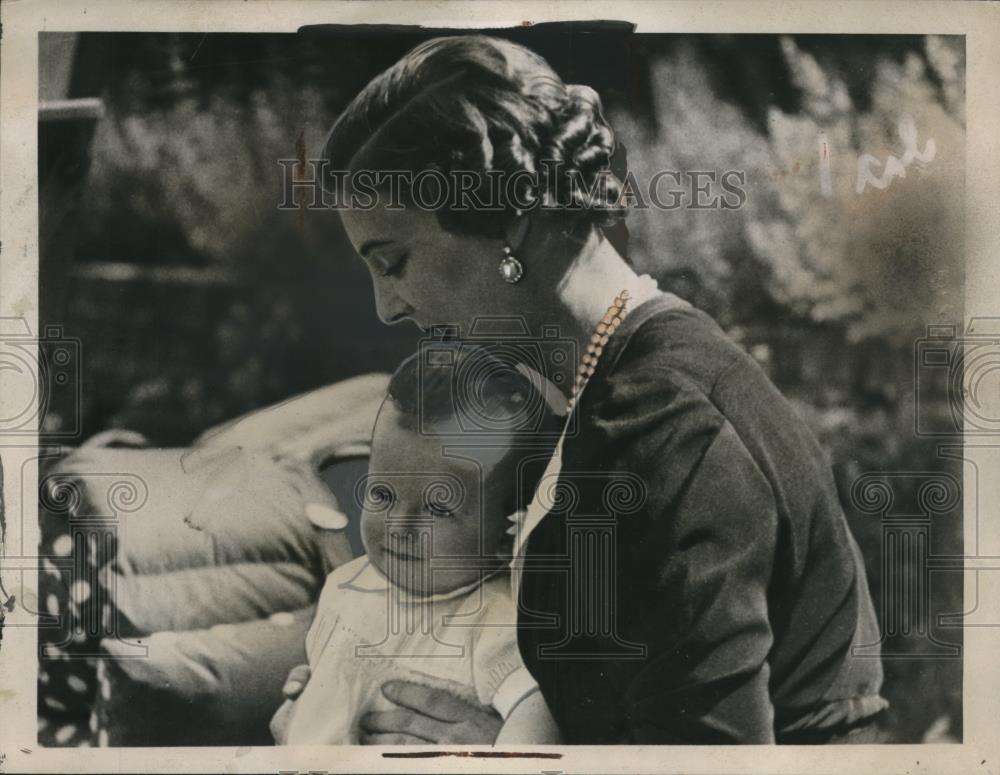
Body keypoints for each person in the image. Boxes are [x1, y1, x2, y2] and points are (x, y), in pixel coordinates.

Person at [278, 34, 887, 744]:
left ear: (508, 218)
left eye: (395, 260)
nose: (387, 306)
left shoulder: (664, 427)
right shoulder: (615, 378)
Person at [272, 344, 563, 744]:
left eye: (439, 508)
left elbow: (535, 728)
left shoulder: (497, 625)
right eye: (382, 496)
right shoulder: (344, 586)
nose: (399, 525)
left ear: (508, 532)